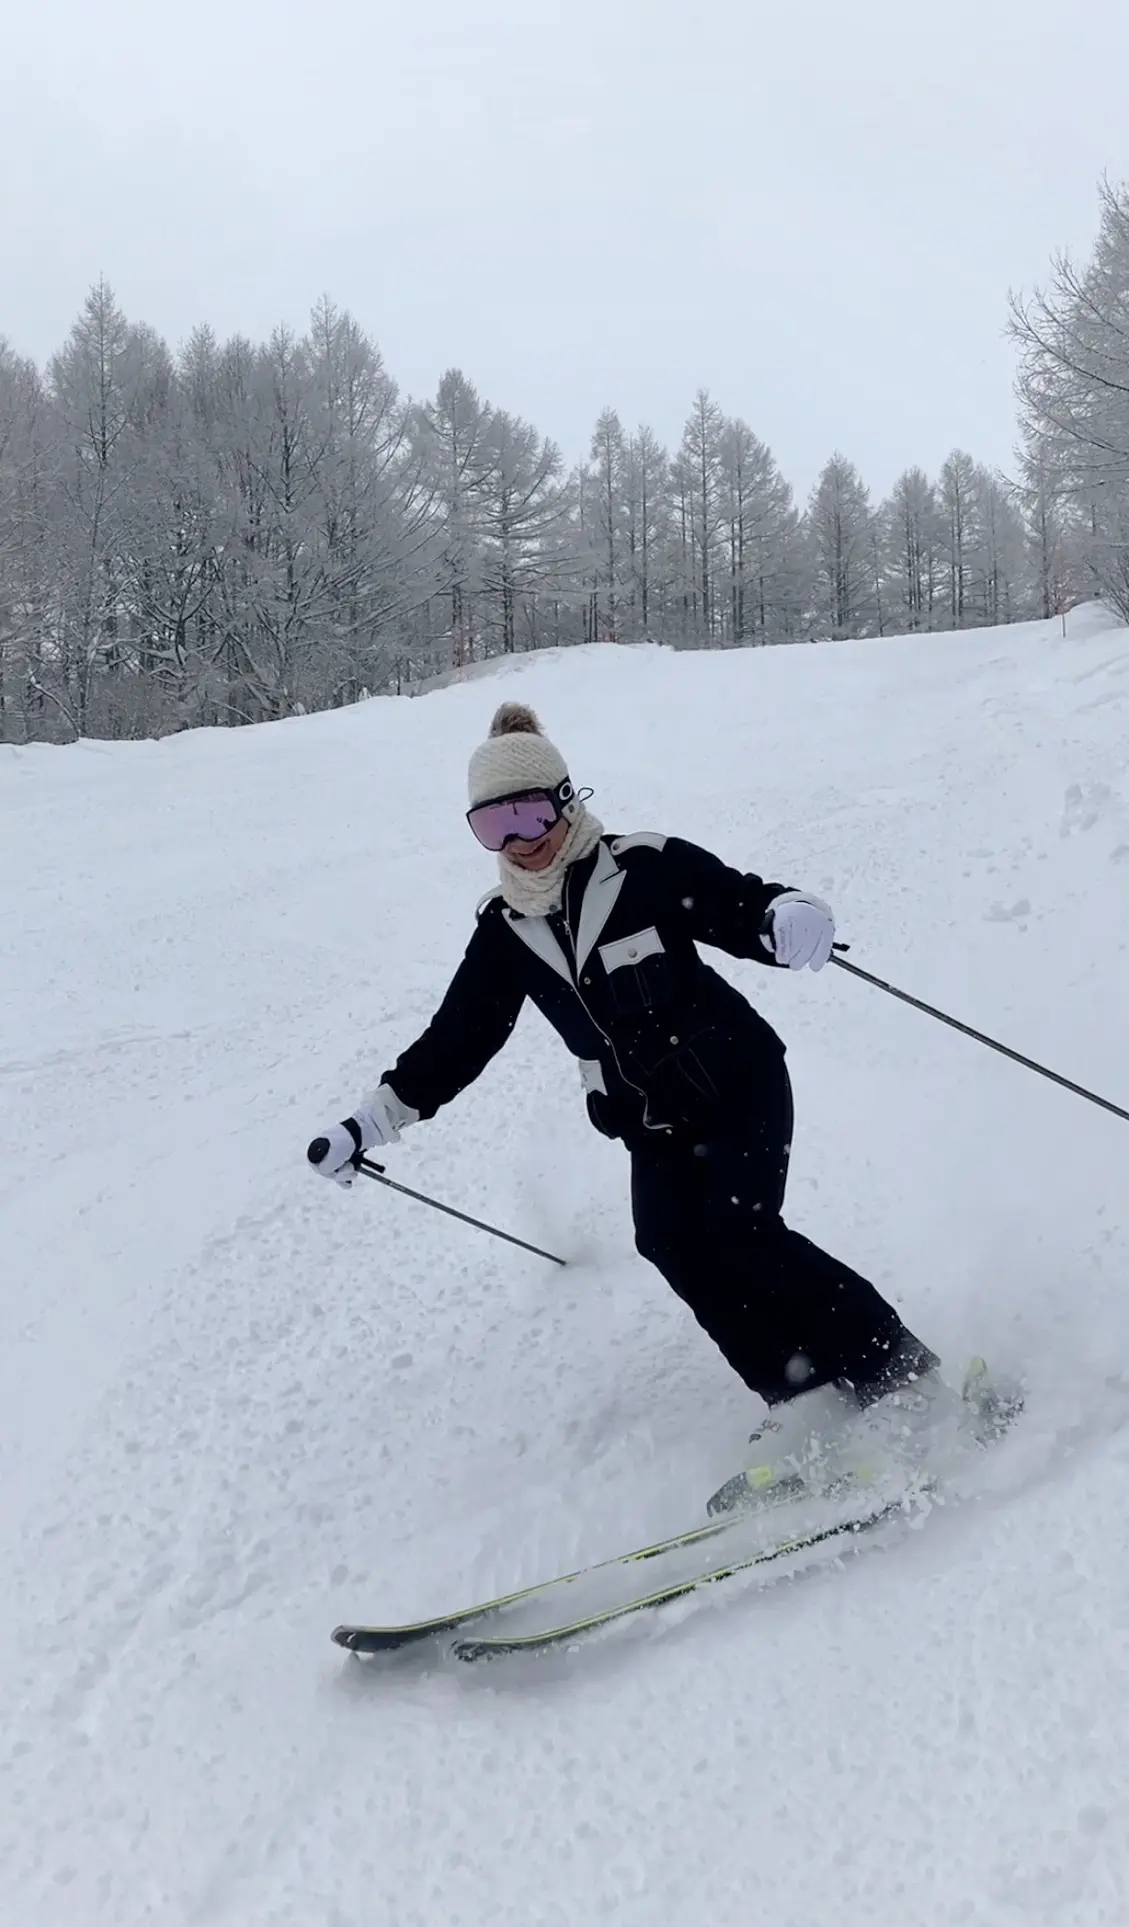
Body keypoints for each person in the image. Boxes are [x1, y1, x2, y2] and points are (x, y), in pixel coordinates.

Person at [309, 702, 941, 1490]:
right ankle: (801, 1391)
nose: (517, 840)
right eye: (491, 826)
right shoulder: (506, 929)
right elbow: (459, 1038)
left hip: (738, 1082)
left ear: (565, 800)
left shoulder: (642, 868)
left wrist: (785, 914)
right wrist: (374, 1119)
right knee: (671, 1241)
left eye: (530, 813)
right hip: (651, 1121)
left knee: (741, 1229)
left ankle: (897, 1369)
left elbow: (734, 903)